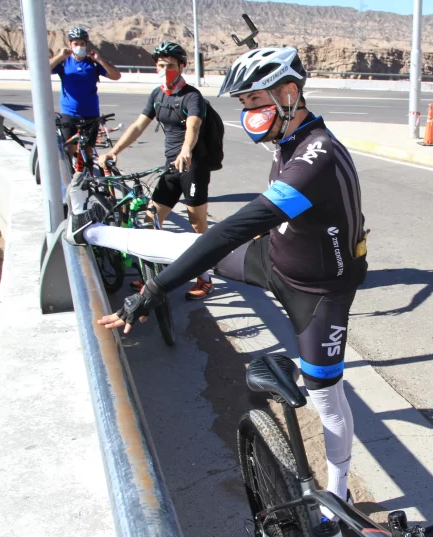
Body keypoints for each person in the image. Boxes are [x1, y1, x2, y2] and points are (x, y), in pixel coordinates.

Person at [66, 47, 367, 519]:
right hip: (276, 260)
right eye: (243, 105)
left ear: (289, 94)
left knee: (326, 395)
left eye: (254, 102)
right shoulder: (287, 139)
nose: (247, 114)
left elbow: (233, 229)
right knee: (184, 251)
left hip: (319, 291)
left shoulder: (318, 156)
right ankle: (95, 230)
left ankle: (339, 491)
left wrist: (154, 291)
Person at [97, 41, 214, 300]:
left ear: (182, 67)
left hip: (192, 167)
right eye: (161, 66)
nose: (165, 70)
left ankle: (204, 278)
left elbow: (193, 127)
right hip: (170, 166)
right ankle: (155, 273)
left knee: (197, 223)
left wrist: (186, 150)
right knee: (152, 218)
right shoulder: (157, 95)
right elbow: (138, 126)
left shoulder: (192, 96)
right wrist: (113, 151)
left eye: (170, 66)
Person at [50, 28, 121, 160]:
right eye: (76, 44)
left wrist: (99, 59)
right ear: (70, 44)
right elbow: (43, 69)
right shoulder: (64, 62)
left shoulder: (92, 63)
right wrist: (60, 56)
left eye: (82, 44)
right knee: (69, 149)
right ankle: (70, 176)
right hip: (69, 113)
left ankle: (86, 175)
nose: (79, 47)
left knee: (88, 150)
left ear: (86, 44)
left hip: (91, 113)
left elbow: (116, 76)